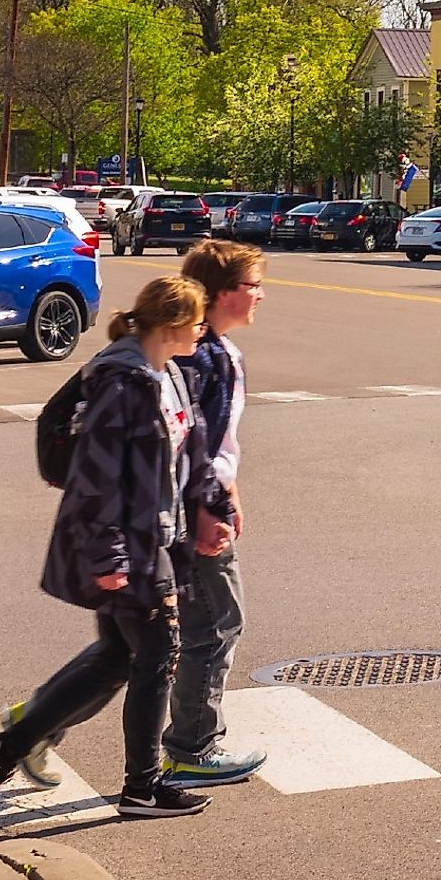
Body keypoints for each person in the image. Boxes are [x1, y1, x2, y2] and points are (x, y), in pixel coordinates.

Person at [0, 277, 213, 820]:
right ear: (173, 326)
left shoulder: (168, 372)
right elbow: (97, 478)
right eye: (197, 322)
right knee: (157, 656)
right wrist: (110, 558)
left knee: (115, 657)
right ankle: (141, 788)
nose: (202, 331)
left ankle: (7, 748)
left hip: (155, 538)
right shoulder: (122, 382)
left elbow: (181, 457)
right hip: (128, 544)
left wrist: (209, 507)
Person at [163, 240, 269, 787]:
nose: (260, 294)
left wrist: (232, 493)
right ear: (223, 292)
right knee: (216, 624)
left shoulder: (216, 350)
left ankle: (27, 731)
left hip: (199, 506)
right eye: (252, 285)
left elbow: (219, 445)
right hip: (190, 516)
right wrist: (209, 508)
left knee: (133, 646)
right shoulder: (199, 355)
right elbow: (191, 445)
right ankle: (190, 749)